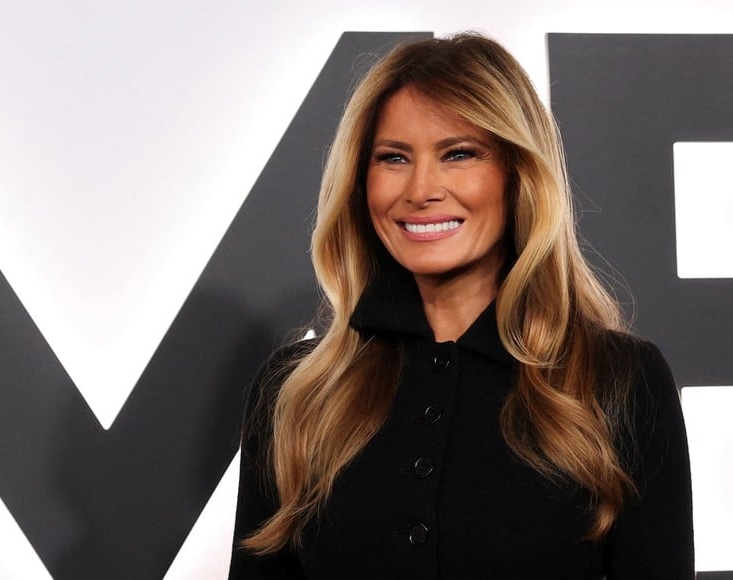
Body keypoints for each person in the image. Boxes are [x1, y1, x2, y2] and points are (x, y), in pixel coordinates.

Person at [228, 32, 694, 579]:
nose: (421, 189)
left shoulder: (618, 379)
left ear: (518, 173)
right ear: (361, 182)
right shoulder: (297, 392)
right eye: (393, 157)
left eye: (458, 154)